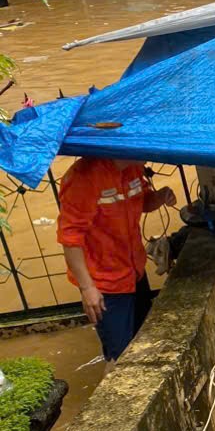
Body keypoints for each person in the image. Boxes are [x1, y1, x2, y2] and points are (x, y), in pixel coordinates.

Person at [56, 156, 177, 366]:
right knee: (119, 359)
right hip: (105, 284)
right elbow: (70, 239)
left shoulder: (134, 168)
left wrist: (160, 196)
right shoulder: (83, 177)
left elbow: (142, 202)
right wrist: (88, 289)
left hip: (134, 271)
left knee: (143, 340)